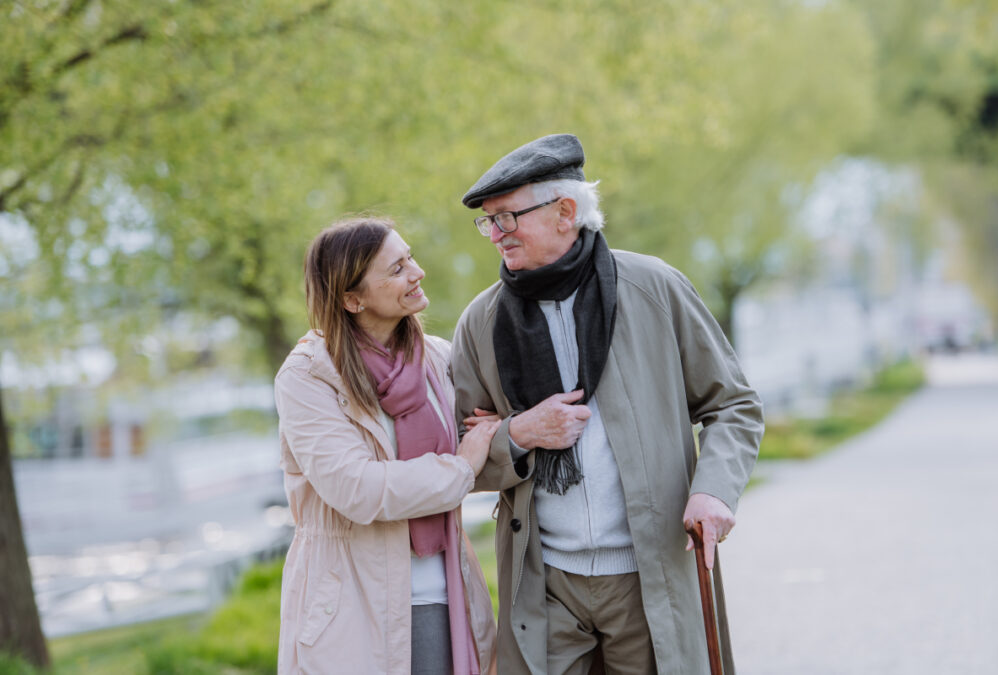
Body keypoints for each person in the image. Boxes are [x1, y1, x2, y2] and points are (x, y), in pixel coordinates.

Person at [450, 134, 764, 674]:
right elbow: (463, 451)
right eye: (488, 221)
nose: (494, 235)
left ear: (564, 211)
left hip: (649, 574)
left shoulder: (653, 288)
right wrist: (520, 433)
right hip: (543, 582)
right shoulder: (482, 322)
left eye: (506, 218)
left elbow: (732, 404)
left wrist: (712, 490)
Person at [274, 216, 498, 674]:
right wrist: (460, 468)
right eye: (396, 269)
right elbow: (357, 488)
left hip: (445, 592)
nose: (416, 273)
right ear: (351, 299)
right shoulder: (307, 377)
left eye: (410, 258)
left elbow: (484, 431)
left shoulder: (439, 357)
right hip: (353, 612)